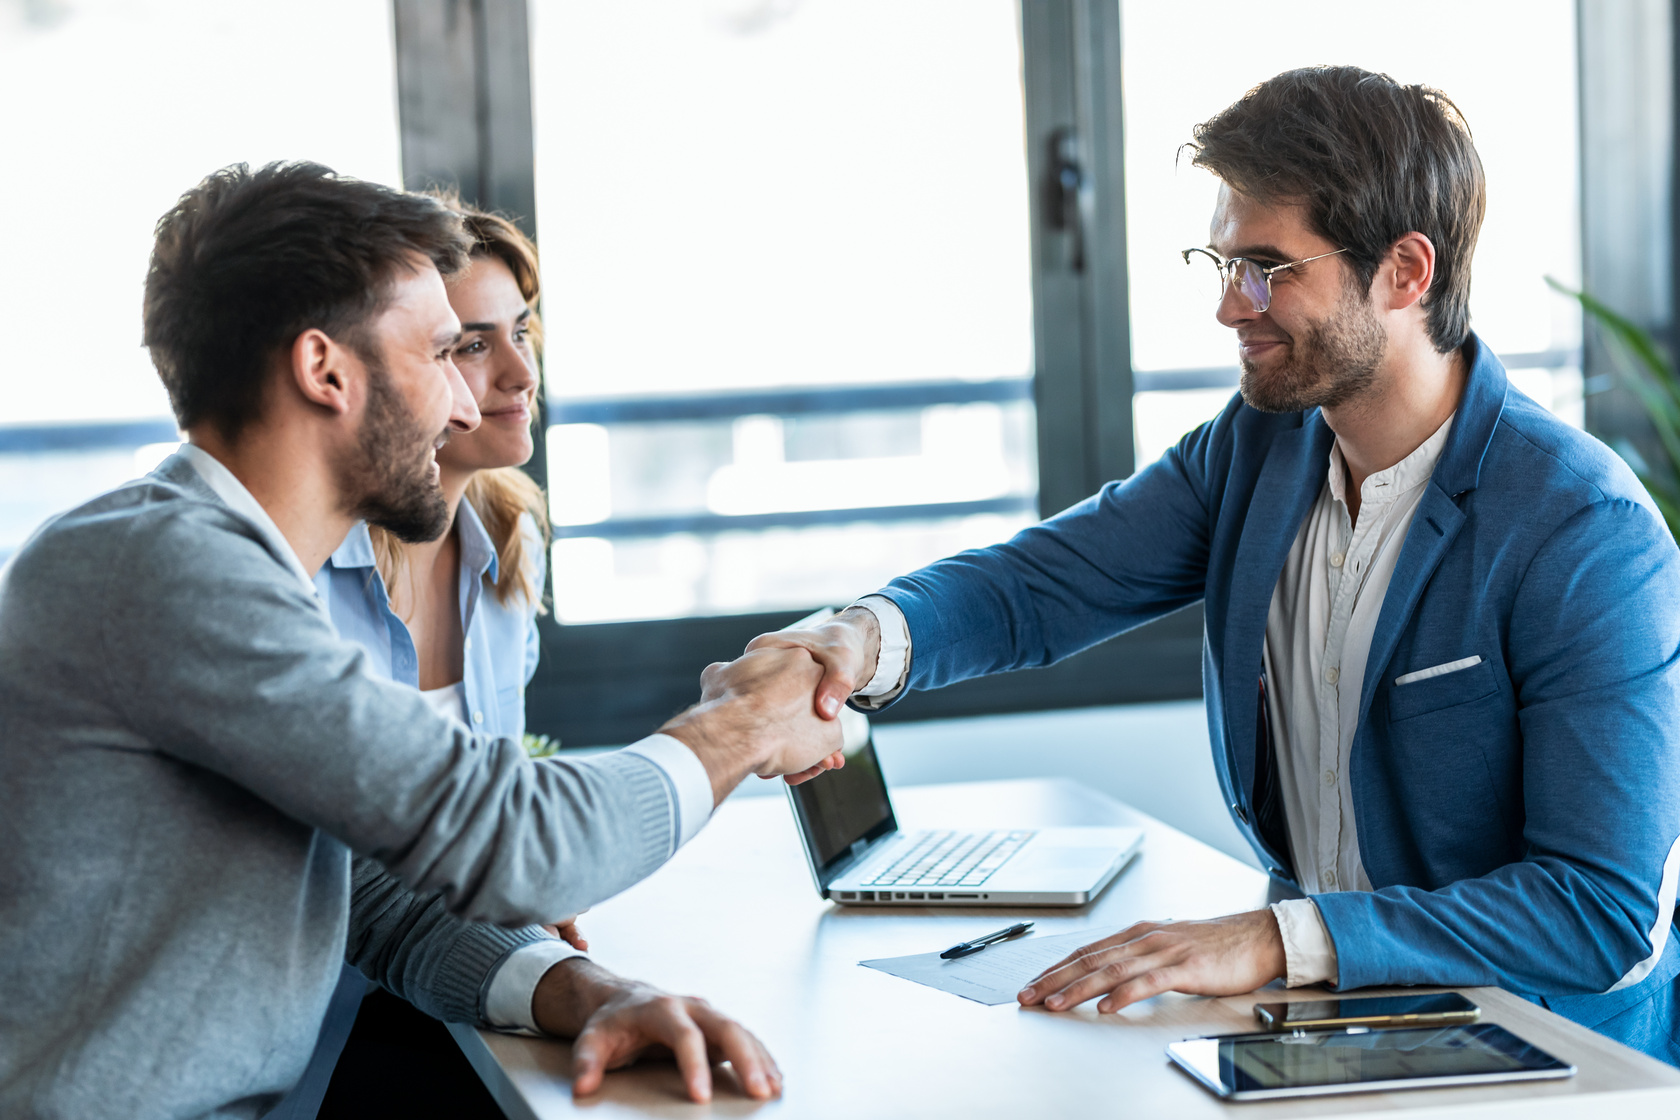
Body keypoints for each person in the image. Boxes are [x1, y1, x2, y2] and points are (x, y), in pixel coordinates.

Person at [753, 67, 1680, 1064]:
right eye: (1221, 262)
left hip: (1552, 1052)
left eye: (1270, 268)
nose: (1231, 308)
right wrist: (857, 640)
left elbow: (1598, 909)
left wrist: (1277, 937)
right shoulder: (1258, 449)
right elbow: (1042, 585)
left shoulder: (1584, 530)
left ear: (1406, 273)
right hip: (1340, 1023)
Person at [0, 161, 841, 1120]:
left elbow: (368, 891)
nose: (463, 403)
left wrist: (589, 990)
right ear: (326, 372)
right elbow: (520, 841)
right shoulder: (159, 567)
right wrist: (748, 718)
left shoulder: (228, 564)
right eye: (445, 354)